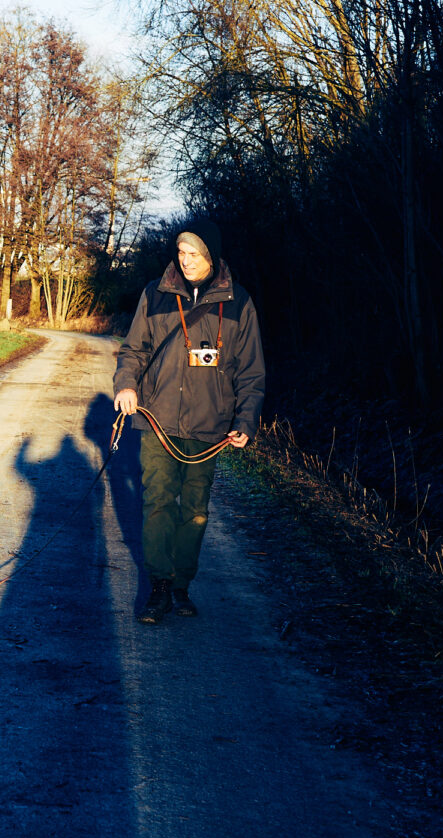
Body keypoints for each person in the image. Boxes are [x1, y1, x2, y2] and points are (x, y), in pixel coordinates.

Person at [113, 220, 265, 622]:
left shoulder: (239, 302)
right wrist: (126, 386)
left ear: (211, 256)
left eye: (193, 254)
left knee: (195, 510)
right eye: (181, 253)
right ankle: (160, 586)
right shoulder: (155, 294)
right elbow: (133, 351)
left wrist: (246, 422)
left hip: (210, 425)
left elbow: (251, 373)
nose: (185, 261)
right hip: (158, 422)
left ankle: (182, 584)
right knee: (158, 502)